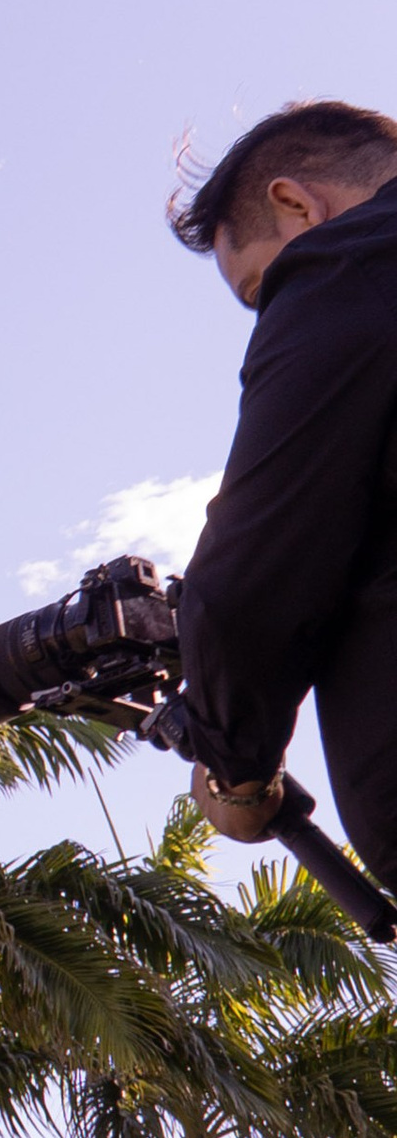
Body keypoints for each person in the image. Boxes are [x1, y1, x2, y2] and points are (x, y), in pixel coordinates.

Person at [169, 99, 397, 883]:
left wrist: (239, 775)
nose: (272, 315)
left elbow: (249, 583)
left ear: (297, 204)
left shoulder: (347, 264)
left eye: (261, 286)